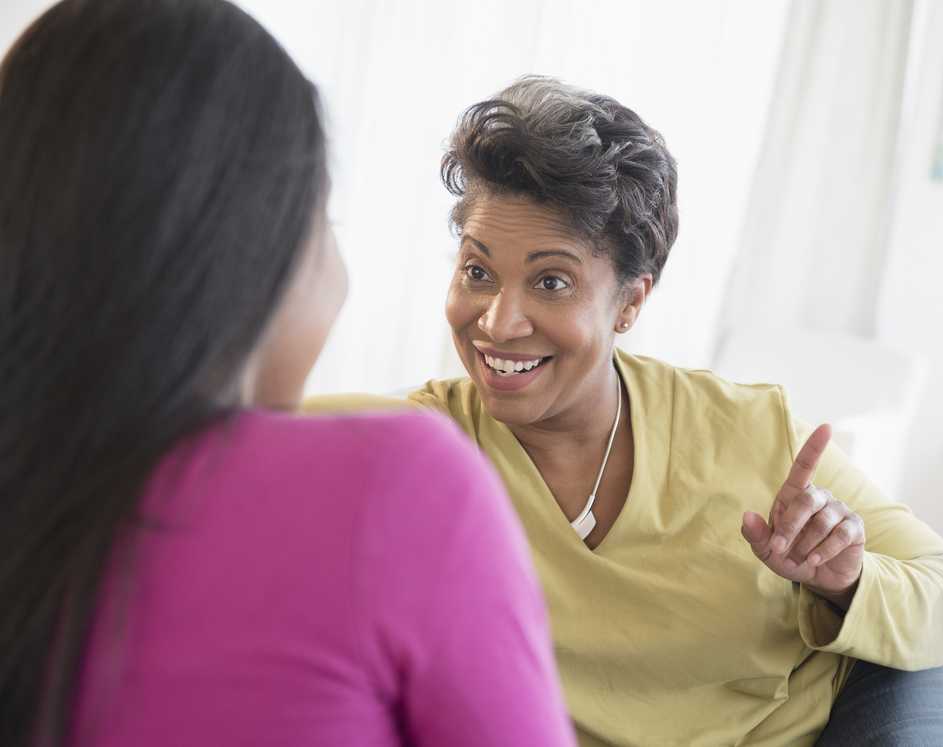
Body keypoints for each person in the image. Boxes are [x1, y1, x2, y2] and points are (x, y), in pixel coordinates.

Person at [309, 76, 943, 745]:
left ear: (630, 301)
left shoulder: (744, 432)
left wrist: (846, 580)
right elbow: (252, 434)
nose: (498, 321)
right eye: (477, 271)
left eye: (551, 282)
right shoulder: (422, 446)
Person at [0, 5, 576, 747]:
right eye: (324, 225)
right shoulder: (398, 483)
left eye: (551, 282)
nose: (500, 322)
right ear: (252, 251)